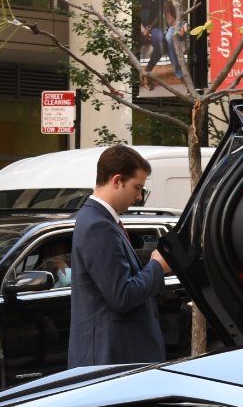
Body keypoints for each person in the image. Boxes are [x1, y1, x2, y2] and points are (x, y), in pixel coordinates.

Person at [69, 146, 170, 367]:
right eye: (137, 187)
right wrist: (157, 266)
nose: (139, 196)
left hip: (112, 354)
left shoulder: (99, 219)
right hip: (110, 358)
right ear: (117, 181)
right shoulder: (98, 224)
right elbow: (122, 295)